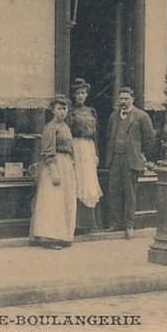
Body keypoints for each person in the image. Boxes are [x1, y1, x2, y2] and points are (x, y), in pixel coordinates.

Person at [103, 86, 156, 239]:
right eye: (121, 98)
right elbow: (108, 135)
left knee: (130, 193)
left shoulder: (141, 116)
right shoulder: (114, 116)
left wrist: (139, 153)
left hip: (131, 160)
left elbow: (150, 139)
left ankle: (129, 225)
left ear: (133, 99)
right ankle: (115, 223)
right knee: (113, 191)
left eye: (126, 98)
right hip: (115, 159)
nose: (123, 102)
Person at [29, 94, 78, 250]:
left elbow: (70, 149)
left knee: (64, 201)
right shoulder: (50, 127)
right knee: (53, 201)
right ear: (53, 110)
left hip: (66, 165)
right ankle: (49, 237)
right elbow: (48, 151)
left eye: (65, 109)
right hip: (54, 166)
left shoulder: (65, 126)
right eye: (59, 109)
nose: (62, 112)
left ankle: (62, 236)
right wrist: (54, 172)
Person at [68, 78, 103, 233]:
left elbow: (95, 135)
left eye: (83, 93)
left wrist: (96, 153)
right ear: (74, 95)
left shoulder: (91, 111)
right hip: (76, 146)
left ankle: (90, 223)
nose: (80, 96)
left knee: (89, 182)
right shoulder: (70, 112)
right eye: (78, 93)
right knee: (77, 180)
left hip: (88, 148)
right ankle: (76, 224)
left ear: (87, 95)